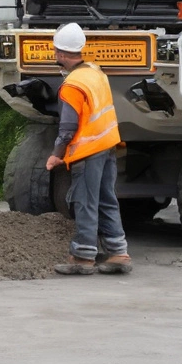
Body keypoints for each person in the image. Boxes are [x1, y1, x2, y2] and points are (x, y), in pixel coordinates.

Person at [46, 23, 133, 275]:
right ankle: (118, 252)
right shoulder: (96, 72)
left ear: (62, 54)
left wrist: (56, 155)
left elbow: (68, 128)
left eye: (56, 51)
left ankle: (83, 257)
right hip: (107, 146)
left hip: (87, 150)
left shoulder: (72, 85)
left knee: (84, 200)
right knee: (107, 199)